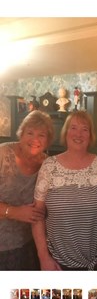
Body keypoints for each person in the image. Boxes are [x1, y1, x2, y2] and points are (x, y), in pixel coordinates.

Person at [32, 110, 97, 270]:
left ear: (91, 135)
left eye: (84, 129)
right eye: (73, 127)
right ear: (65, 132)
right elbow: (37, 213)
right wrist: (43, 256)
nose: (78, 134)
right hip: (59, 264)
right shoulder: (49, 166)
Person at [0, 110, 54, 270]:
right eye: (30, 133)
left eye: (42, 135)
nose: (35, 139)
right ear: (21, 133)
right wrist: (14, 212)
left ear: (48, 140)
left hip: (29, 244)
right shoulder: (2, 154)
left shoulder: (48, 164)